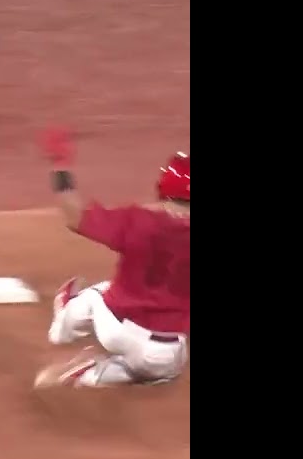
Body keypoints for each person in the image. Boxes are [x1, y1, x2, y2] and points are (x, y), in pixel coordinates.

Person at [32, 127, 190, 388]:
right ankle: (95, 375)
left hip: (120, 333)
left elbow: (74, 217)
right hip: (171, 354)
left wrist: (59, 165)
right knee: (158, 363)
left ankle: (62, 328)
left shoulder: (138, 222)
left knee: (95, 294)